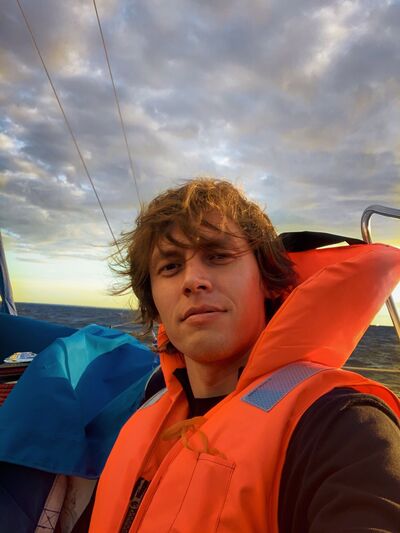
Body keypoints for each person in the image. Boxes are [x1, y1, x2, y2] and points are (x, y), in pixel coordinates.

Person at [89, 178, 400, 533]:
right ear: (155, 302)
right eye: (171, 266)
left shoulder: (341, 426)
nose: (193, 280)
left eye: (218, 256)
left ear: (266, 280)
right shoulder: (140, 417)